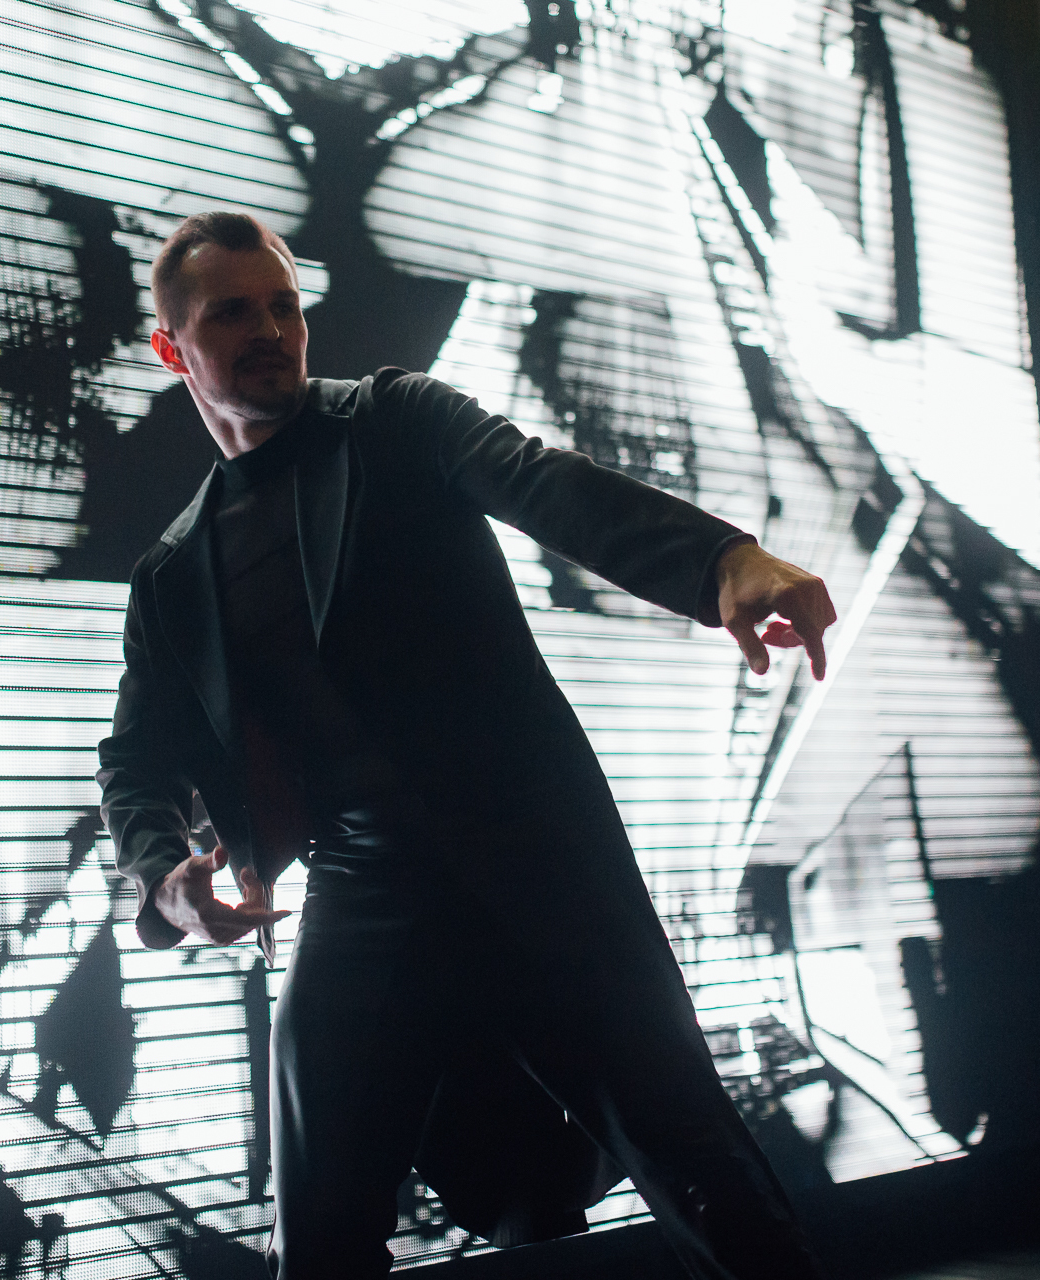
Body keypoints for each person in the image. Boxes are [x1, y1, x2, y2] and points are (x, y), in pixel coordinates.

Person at [97, 211, 837, 1279]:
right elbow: (135, 758)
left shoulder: (394, 420)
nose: (270, 330)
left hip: (536, 856)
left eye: (284, 306)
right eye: (232, 314)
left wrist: (722, 562)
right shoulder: (176, 575)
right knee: (318, 1235)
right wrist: (167, 878)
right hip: (364, 886)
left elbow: (549, 483)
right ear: (172, 349)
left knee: (692, 1151)